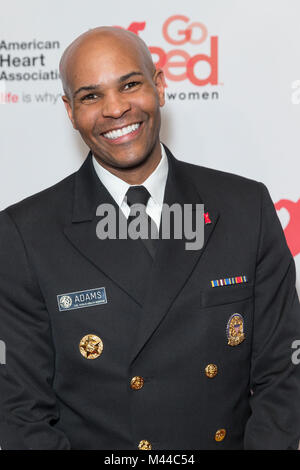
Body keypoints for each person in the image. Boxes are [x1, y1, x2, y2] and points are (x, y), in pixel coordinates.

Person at [0, 26, 299, 451]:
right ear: (69, 110)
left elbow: (283, 375)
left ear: (158, 85)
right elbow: (19, 413)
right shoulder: (24, 233)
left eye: (130, 85)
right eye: (90, 96)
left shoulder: (244, 207)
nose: (116, 109)